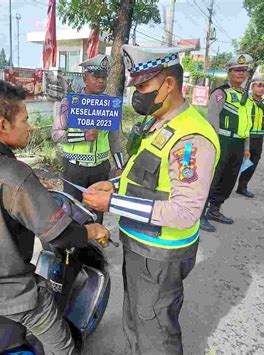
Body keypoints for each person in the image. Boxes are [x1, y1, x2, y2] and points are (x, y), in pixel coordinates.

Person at [0, 80, 109, 355]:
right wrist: (93, 231)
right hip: (14, 296)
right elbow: (61, 235)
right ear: (2, 124)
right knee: (65, 349)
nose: (30, 126)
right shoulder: (14, 174)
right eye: (25, 119)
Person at [81, 45, 221, 354]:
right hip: (138, 243)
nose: (137, 93)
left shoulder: (191, 137)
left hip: (160, 253)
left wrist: (112, 205)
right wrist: (114, 186)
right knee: (135, 320)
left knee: (155, 331)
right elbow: (146, 175)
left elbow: (185, 212)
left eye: (143, 86)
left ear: (169, 84)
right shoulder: (158, 121)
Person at [52, 54, 125, 223]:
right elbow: (56, 134)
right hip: (74, 169)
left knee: (98, 211)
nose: (101, 81)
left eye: (104, 77)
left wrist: (120, 167)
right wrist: (82, 136)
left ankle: (96, 246)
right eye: (96, 77)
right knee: (71, 210)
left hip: (101, 168)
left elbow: (114, 139)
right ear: (85, 78)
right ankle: (73, 248)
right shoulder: (69, 103)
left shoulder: (111, 105)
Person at [200, 54, 254, 232]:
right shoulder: (220, 93)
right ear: (229, 72)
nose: (240, 73)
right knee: (213, 179)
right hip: (222, 141)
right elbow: (212, 121)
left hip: (238, 144)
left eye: (243, 70)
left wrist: (246, 148)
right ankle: (199, 215)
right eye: (236, 70)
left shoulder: (246, 97)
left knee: (229, 179)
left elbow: (246, 125)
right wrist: (212, 145)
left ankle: (215, 210)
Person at [236, 72, 264, 198]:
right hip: (245, 137)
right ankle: (223, 187)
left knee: (252, 164)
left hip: (258, 139)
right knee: (235, 163)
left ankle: (242, 186)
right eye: (258, 85)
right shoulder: (246, 100)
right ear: (252, 87)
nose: (261, 88)